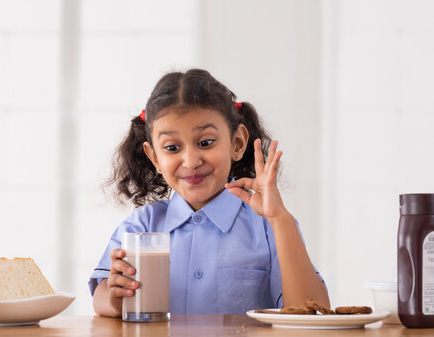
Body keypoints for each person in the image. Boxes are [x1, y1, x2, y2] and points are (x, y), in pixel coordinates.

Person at [89, 69, 329, 316]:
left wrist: (280, 219)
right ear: (155, 158)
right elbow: (101, 298)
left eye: (205, 143)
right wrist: (117, 298)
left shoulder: (270, 227)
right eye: (172, 148)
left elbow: (312, 311)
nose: (191, 161)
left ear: (237, 143)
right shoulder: (141, 226)